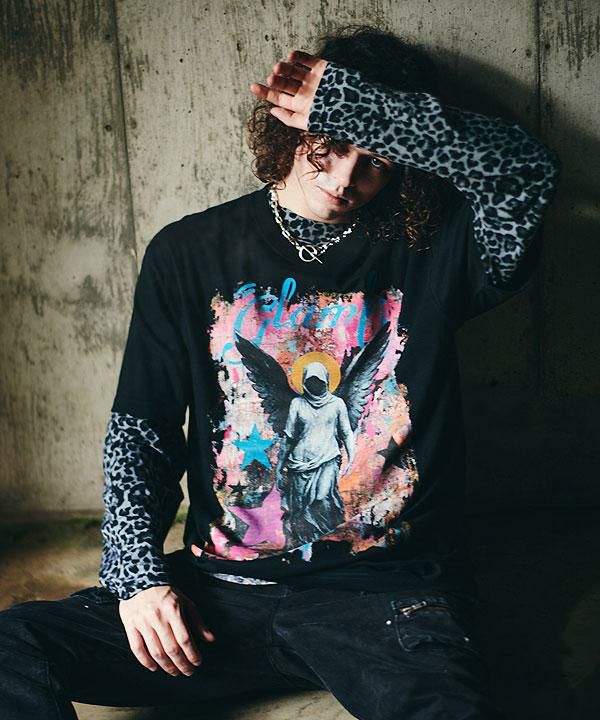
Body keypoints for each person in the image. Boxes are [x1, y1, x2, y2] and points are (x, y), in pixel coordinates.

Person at [0, 25, 561, 720]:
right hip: (220, 591)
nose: (346, 177)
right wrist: (137, 579)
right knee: (11, 647)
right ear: (291, 124)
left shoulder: (434, 248)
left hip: (385, 596)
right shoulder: (189, 252)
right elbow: (142, 429)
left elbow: (527, 172)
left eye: (376, 158)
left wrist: (357, 107)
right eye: (333, 142)